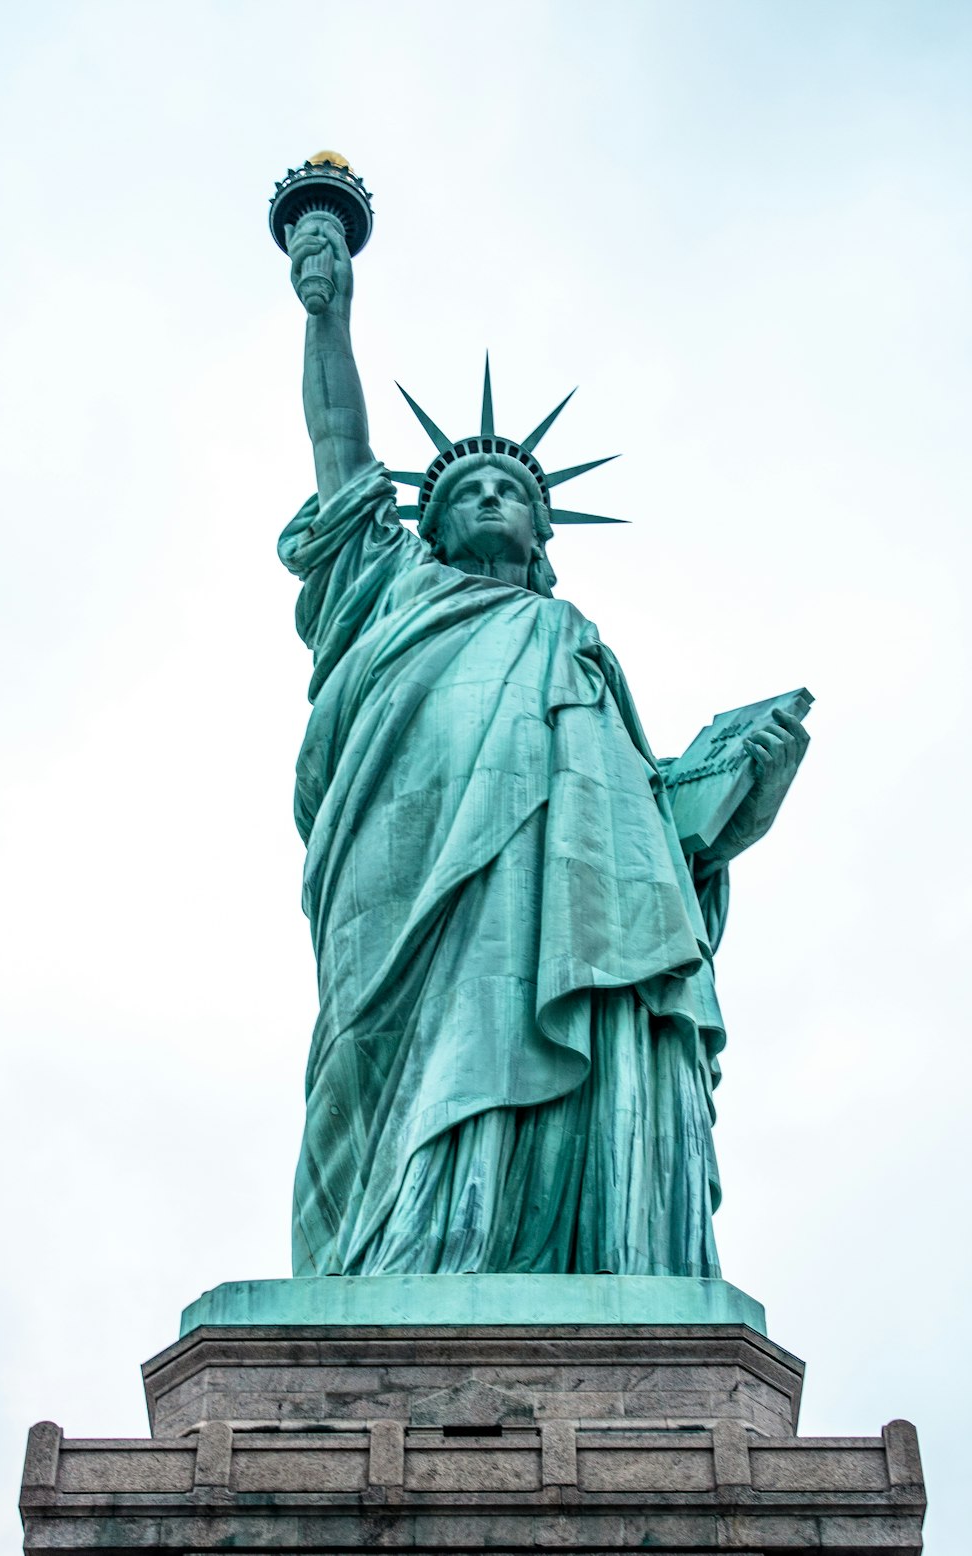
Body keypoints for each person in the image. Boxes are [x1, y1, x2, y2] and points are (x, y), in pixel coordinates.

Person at [277, 213, 808, 1279]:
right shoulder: (389, 591)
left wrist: (728, 786)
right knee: (382, 1059)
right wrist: (327, 313)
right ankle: (393, 1259)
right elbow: (341, 455)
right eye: (466, 489)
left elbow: (642, 825)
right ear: (429, 526)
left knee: (545, 1015)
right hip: (405, 871)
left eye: (509, 492)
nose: (486, 497)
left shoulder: (573, 644)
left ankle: (522, 1255)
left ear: (540, 535)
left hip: (561, 901)